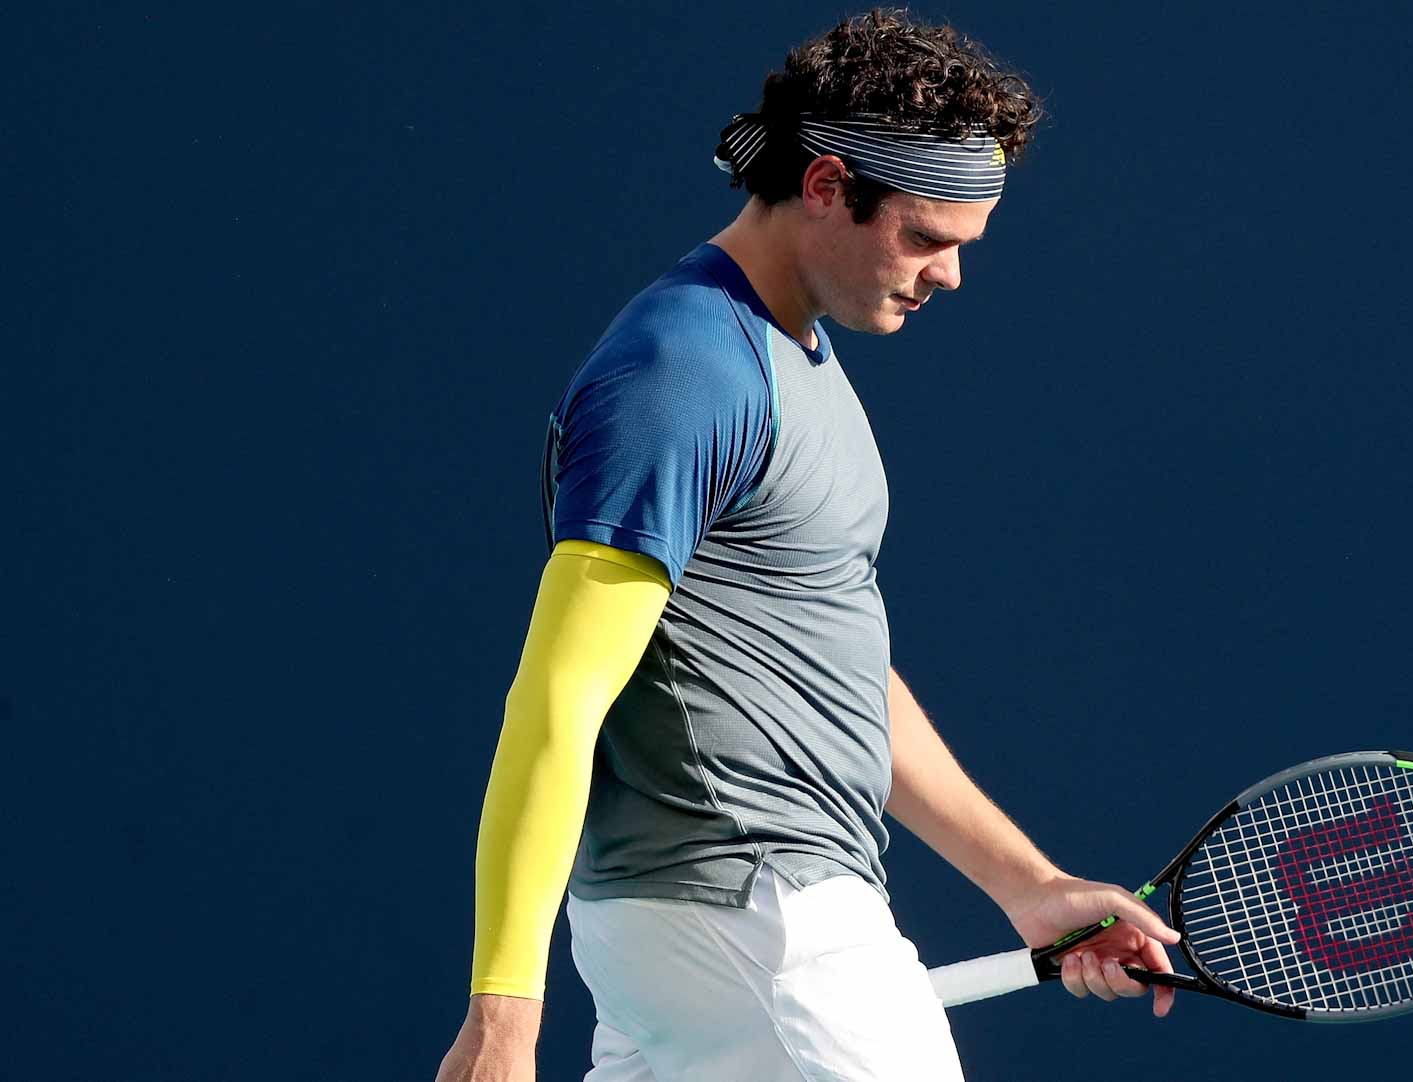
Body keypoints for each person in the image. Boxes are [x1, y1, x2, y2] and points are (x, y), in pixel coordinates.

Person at [434, 10, 1179, 1081]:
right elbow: (559, 695)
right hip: (758, 913)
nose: (949, 275)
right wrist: (504, 1014)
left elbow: (837, 670)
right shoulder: (687, 372)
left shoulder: (791, 360)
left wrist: (1029, 884)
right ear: (827, 184)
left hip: (727, 928)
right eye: (926, 238)